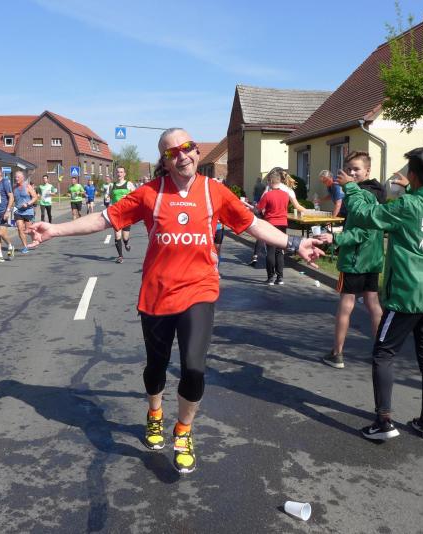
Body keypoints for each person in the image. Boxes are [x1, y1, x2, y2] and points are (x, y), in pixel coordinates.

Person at [29, 128, 325, 474]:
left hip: (199, 292)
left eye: (187, 148)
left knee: (194, 369)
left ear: (196, 152)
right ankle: (155, 412)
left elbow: (253, 225)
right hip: (156, 295)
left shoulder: (215, 192)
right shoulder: (150, 193)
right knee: (156, 368)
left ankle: (183, 431)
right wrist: (55, 230)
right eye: (172, 152)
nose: (181, 155)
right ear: (165, 161)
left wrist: (294, 244)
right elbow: (104, 219)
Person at [336, 147, 423, 442]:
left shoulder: (408, 205)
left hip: (406, 294)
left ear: (412, 175)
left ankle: (384, 421)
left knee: (383, 354)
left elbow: (366, 215)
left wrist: (350, 188)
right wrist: (410, 188)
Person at [320, 152, 385, 369]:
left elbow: (362, 231)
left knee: (346, 305)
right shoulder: (376, 192)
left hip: (356, 260)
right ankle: (380, 354)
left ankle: (337, 353)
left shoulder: (360, 194)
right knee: (372, 303)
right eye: (348, 169)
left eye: (356, 169)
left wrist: (335, 238)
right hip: (372, 259)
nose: (351, 173)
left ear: (367, 171)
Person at [256, 168, 291, 285]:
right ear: (279, 181)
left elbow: (258, 209)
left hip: (271, 224)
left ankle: (270, 277)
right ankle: (280, 277)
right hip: (283, 224)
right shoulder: (286, 195)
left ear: (271, 181)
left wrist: (258, 210)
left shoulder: (268, 195)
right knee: (279, 251)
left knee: (270, 251)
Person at [109, 166, 134, 263]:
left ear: (124, 174)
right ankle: (120, 256)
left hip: (126, 213)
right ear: (116, 174)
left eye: (121, 172)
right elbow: (110, 197)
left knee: (125, 237)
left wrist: (128, 196)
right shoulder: (112, 185)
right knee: (117, 235)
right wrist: (107, 199)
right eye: (118, 172)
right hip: (116, 214)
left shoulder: (129, 184)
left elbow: (136, 196)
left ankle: (126, 243)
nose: (119, 174)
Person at [12, 171, 38, 254]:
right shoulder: (14, 187)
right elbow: (12, 198)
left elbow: (35, 197)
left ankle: (35, 240)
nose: (16, 179)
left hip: (28, 211)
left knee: (29, 230)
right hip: (18, 211)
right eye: (15, 177)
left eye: (18, 177)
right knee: (20, 228)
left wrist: (28, 203)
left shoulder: (28, 186)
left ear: (22, 178)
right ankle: (25, 246)